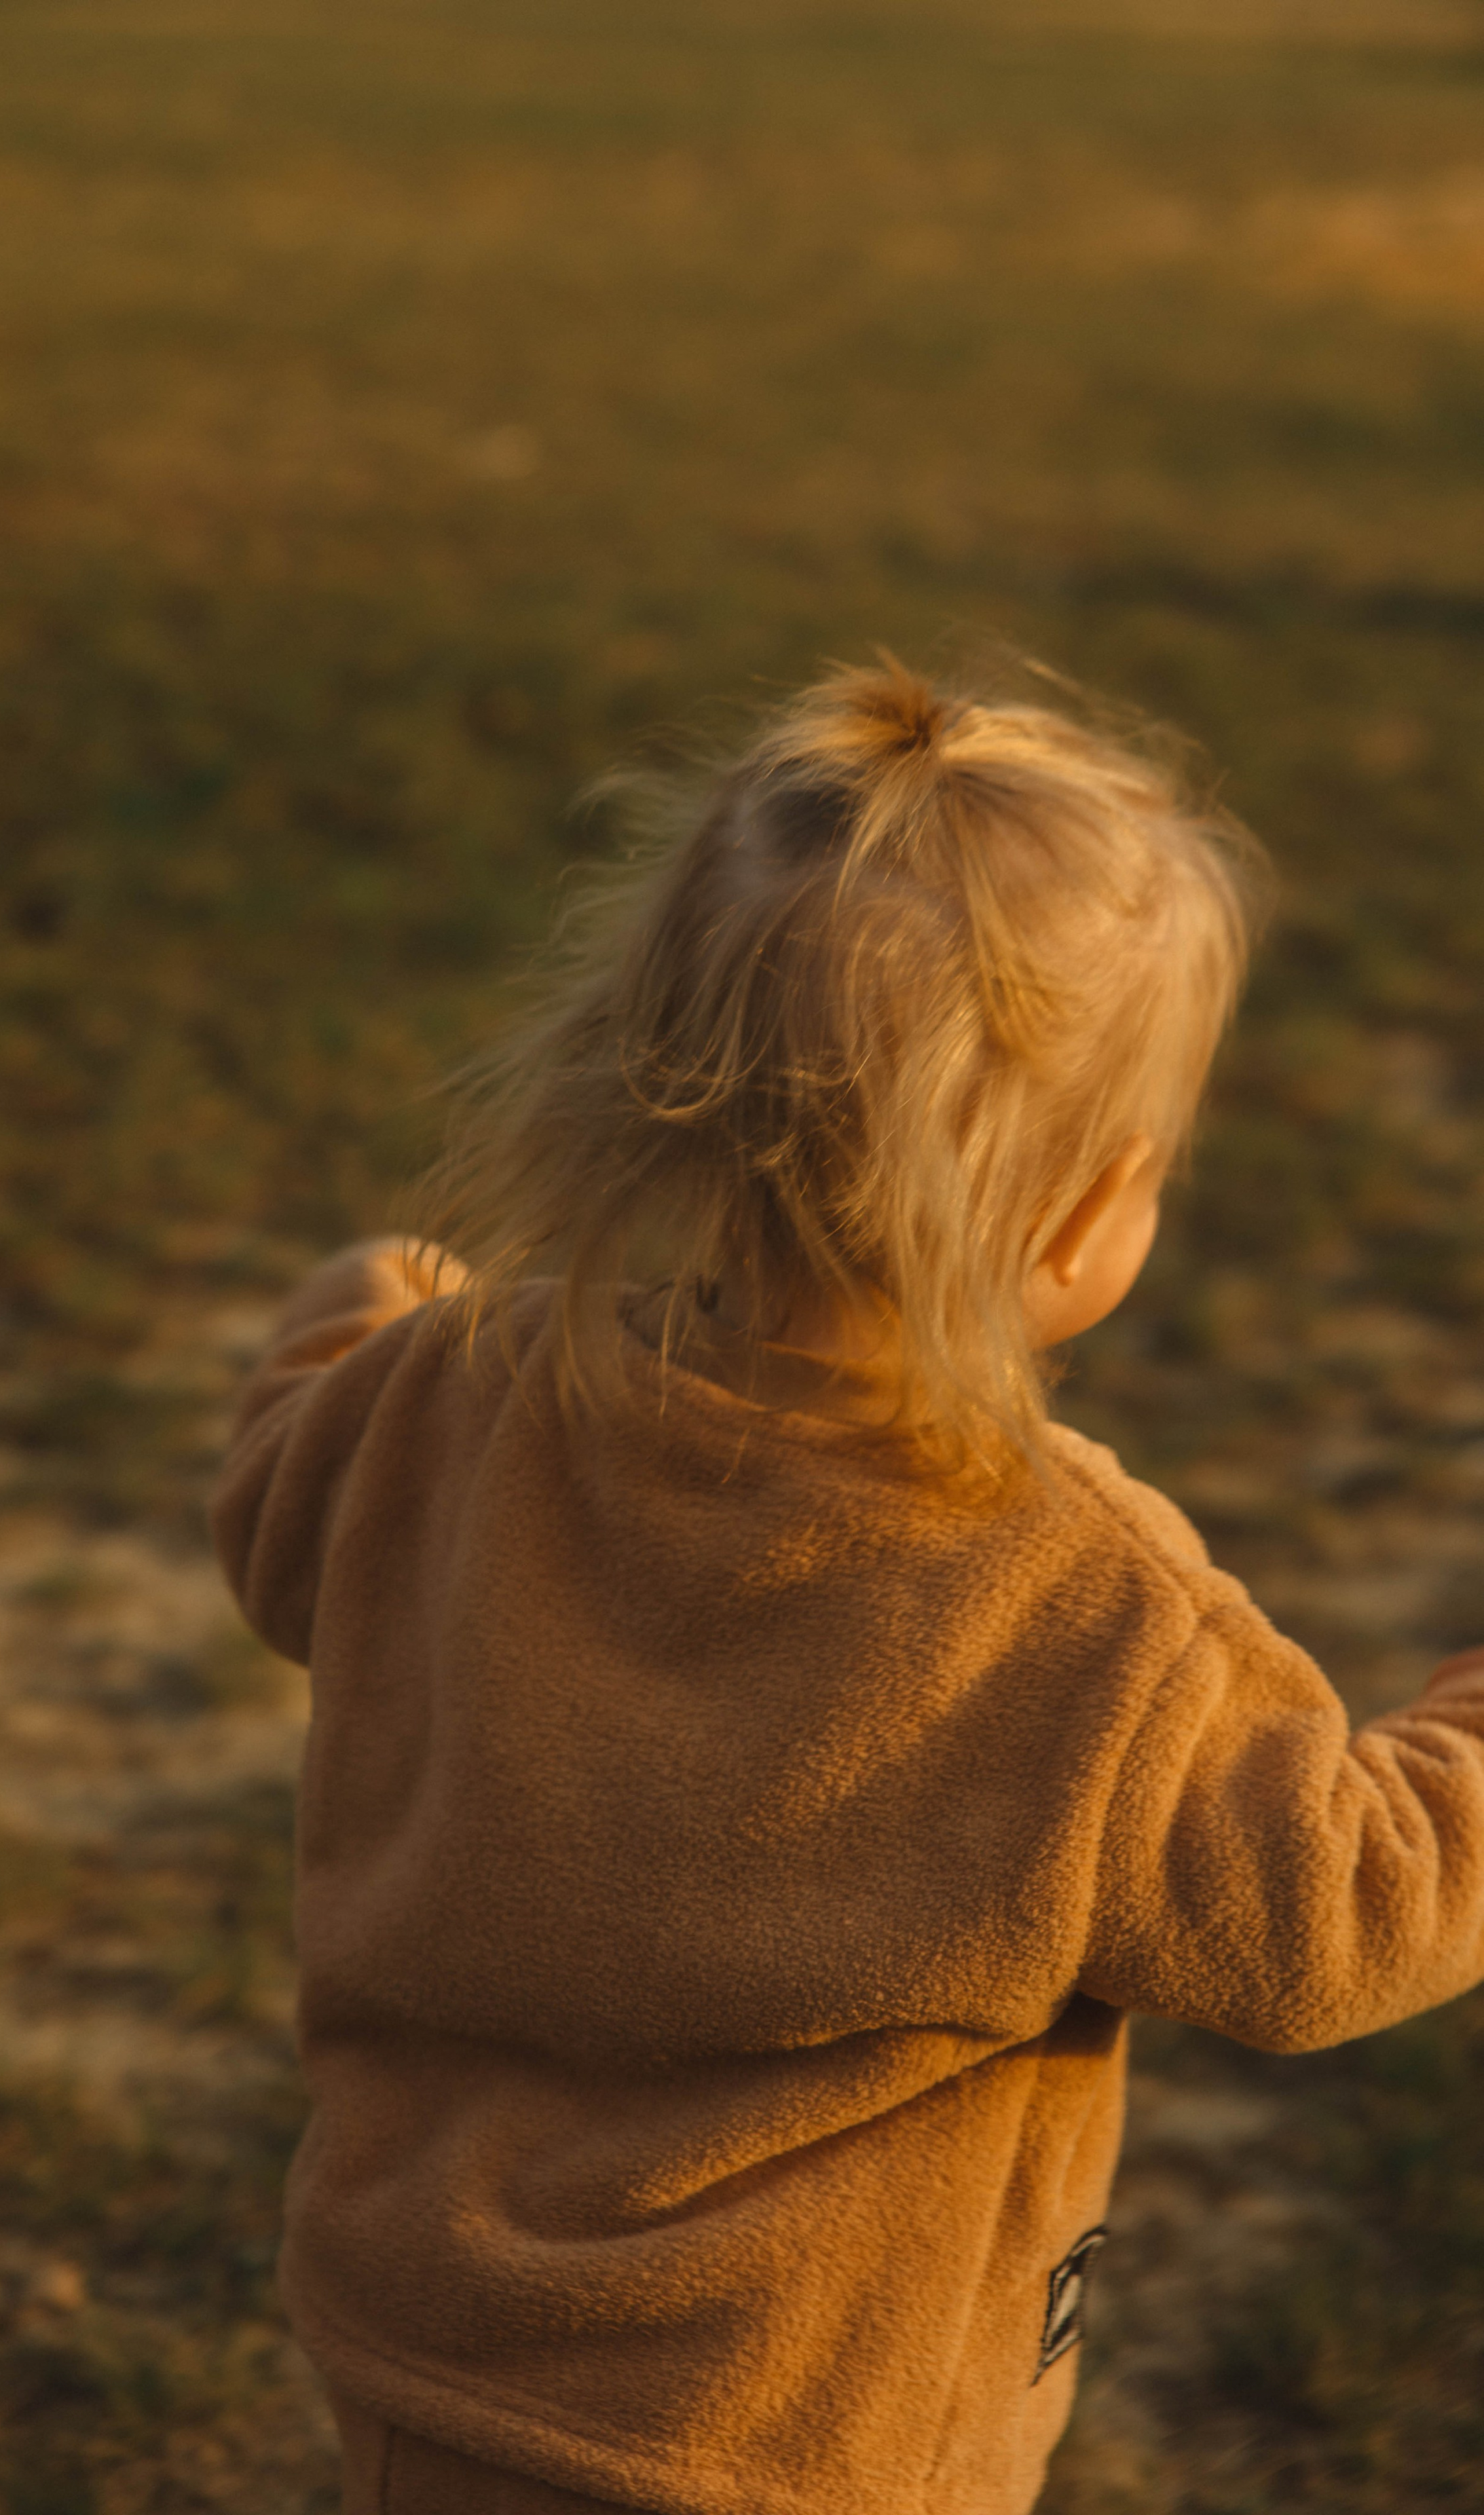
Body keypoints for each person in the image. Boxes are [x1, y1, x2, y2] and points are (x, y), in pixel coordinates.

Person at [212, 658, 1484, 2515]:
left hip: (422, 2349)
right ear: (1081, 1214)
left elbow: (280, 1487)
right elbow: (1337, 1922)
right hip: (805, 2431)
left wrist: (374, 1289)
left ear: (649, 1082)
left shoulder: (455, 1392)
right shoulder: (1082, 1609)